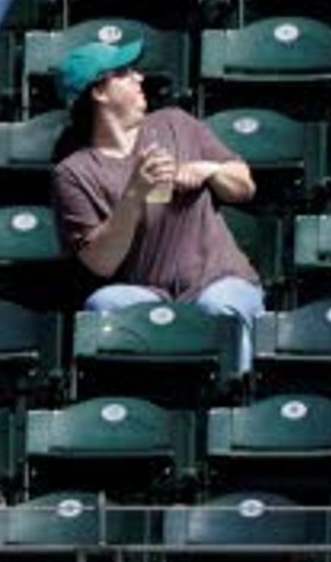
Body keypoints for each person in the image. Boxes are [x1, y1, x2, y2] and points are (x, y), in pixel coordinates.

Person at [50, 30, 268, 367]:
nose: (139, 77)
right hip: (148, 292)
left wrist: (209, 169)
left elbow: (245, 185)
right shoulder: (74, 172)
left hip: (218, 279)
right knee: (104, 304)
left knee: (220, 308)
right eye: (123, 73)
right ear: (98, 92)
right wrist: (136, 192)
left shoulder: (175, 123)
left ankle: (234, 402)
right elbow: (100, 263)